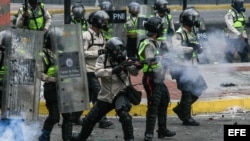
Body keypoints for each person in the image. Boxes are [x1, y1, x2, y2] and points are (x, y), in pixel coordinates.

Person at [71, 37, 140, 141]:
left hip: (120, 94)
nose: (120, 52)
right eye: (117, 50)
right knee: (90, 119)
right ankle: (81, 137)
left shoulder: (124, 58)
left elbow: (134, 72)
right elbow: (97, 73)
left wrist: (138, 66)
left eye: (121, 50)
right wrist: (115, 69)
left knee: (125, 116)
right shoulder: (102, 58)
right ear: (111, 51)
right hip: (105, 96)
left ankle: (129, 139)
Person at [137, 17, 176, 141]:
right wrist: (164, 61)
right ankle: (148, 133)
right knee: (153, 105)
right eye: (161, 28)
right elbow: (151, 62)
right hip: (151, 79)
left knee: (164, 101)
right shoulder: (148, 44)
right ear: (156, 30)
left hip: (159, 79)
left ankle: (162, 130)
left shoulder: (156, 42)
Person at [170, 8, 208, 126]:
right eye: (194, 18)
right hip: (181, 68)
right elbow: (175, 49)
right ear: (188, 20)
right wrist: (191, 48)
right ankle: (186, 117)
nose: (196, 21)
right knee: (187, 92)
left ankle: (180, 109)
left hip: (192, 67)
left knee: (201, 87)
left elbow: (196, 45)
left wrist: (199, 49)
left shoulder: (193, 32)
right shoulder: (179, 33)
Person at [38, 28, 73, 141]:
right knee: (54, 116)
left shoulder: (63, 53)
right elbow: (39, 73)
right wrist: (53, 79)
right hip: (52, 88)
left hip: (65, 88)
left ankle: (67, 138)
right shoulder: (43, 55)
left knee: (68, 116)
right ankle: (43, 137)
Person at [82, 10, 114, 129]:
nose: (105, 23)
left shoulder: (101, 35)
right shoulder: (86, 35)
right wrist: (98, 52)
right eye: (104, 21)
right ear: (97, 22)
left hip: (97, 70)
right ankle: (102, 119)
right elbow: (82, 52)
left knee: (90, 96)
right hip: (88, 70)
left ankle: (75, 117)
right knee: (99, 94)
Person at [69, 1, 88, 126]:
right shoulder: (70, 22)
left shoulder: (84, 22)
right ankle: (70, 116)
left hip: (82, 53)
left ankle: (75, 116)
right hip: (73, 54)